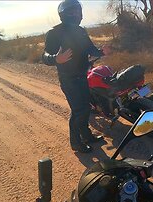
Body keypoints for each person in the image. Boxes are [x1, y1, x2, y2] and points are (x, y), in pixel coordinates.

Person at [42, 0, 110, 153]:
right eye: (72, 12)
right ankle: (76, 143)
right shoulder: (54, 33)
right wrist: (55, 58)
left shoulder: (80, 31)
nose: (76, 15)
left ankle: (87, 136)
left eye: (78, 11)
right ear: (63, 14)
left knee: (86, 108)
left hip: (82, 75)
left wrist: (101, 52)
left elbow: (90, 49)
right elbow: (44, 55)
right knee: (78, 110)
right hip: (68, 78)